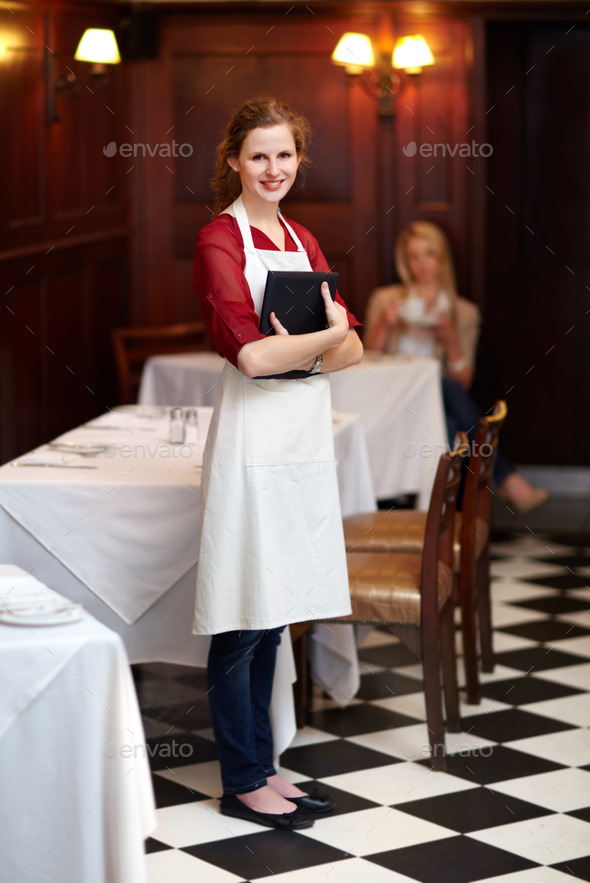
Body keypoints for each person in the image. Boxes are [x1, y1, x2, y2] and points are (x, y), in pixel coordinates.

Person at [191, 98, 363, 830]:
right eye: (259, 155)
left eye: (285, 155)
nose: (273, 169)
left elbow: (355, 346)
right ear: (234, 159)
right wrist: (319, 339)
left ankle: (263, 765)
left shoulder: (302, 237)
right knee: (240, 612)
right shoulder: (217, 240)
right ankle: (241, 777)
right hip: (253, 442)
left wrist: (316, 341)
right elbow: (253, 357)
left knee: (274, 607)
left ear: (298, 160)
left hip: (299, 439)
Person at [364, 220, 547, 514]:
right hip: (392, 399)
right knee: (443, 386)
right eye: (414, 256)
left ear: (441, 259)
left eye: (429, 254)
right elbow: (367, 362)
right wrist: (385, 326)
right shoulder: (385, 300)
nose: (421, 264)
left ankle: (427, 518)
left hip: (434, 407)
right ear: (405, 261)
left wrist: (450, 340)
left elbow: (464, 382)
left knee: (448, 422)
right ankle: (507, 479)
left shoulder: (463, 312)